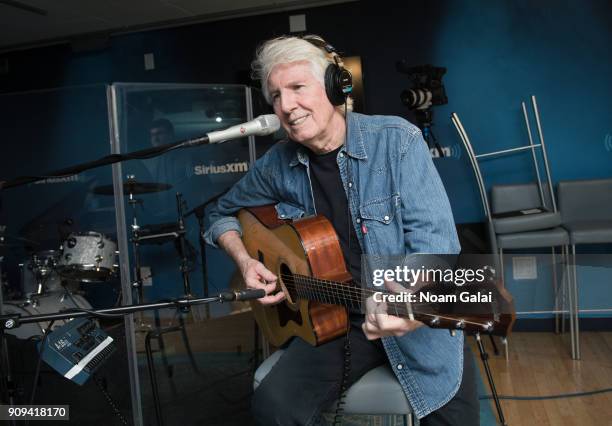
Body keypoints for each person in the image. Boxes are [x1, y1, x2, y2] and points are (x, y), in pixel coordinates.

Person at [204, 35, 479, 425]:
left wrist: (413, 307)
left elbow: (436, 248)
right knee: (273, 407)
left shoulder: (397, 140)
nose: (286, 106)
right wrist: (245, 259)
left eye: (298, 88)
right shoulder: (275, 164)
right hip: (332, 320)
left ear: (336, 87)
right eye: (276, 96)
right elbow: (219, 214)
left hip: (414, 317)